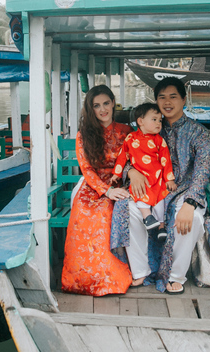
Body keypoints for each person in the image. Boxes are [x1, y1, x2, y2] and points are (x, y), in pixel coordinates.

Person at [111, 77, 210, 294]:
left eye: (173, 97)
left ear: (183, 100)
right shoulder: (148, 127)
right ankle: (141, 271)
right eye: (162, 97)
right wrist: (130, 172)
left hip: (185, 191)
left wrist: (190, 203)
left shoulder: (199, 133)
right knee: (127, 208)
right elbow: (127, 157)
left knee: (192, 218)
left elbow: (202, 172)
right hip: (151, 188)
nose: (167, 102)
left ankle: (176, 276)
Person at [61, 85, 133, 296]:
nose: (102, 109)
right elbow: (86, 169)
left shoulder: (127, 131)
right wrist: (105, 191)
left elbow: (135, 160)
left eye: (106, 104)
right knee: (85, 211)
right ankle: (82, 278)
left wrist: (123, 182)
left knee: (109, 211)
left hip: (121, 182)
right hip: (94, 185)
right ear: (90, 109)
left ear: (113, 103)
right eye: (96, 106)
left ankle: (110, 277)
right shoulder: (84, 134)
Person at [110, 102, 176, 241]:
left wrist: (169, 178)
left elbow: (166, 159)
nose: (159, 123)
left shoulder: (159, 140)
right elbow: (123, 156)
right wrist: (116, 174)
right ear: (140, 121)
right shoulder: (131, 138)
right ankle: (148, 218)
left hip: (157, 178)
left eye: (160, 120)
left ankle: (161, 227)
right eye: (154, 119)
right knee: (139, 194)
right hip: (141, 177)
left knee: (160, 199)